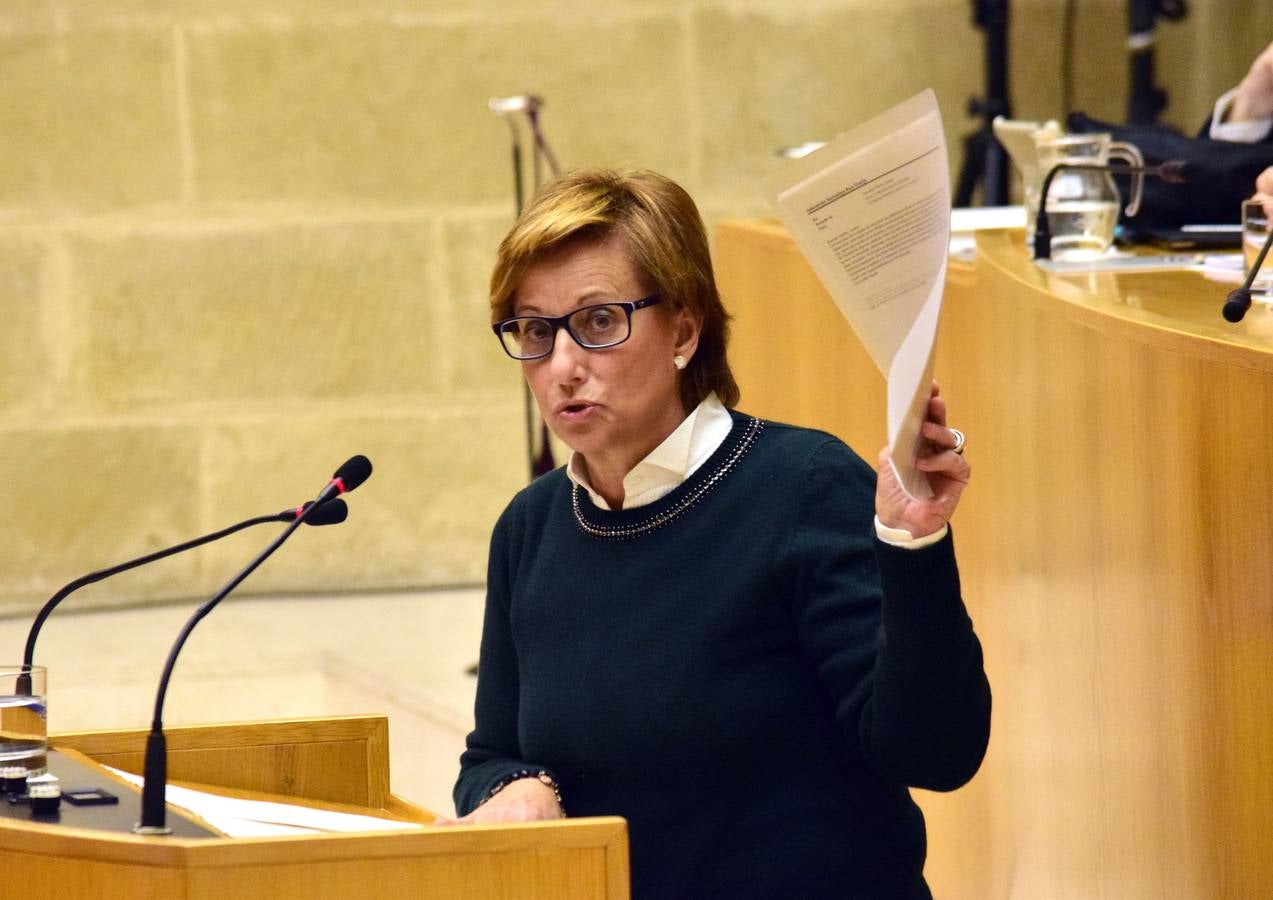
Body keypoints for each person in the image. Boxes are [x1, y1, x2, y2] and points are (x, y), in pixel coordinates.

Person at [438, 168, 991, 899]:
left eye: (599, 322)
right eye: (535, 331)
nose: (562, 366)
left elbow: (935, 751)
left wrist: (911, 546)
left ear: (685, 331)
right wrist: (519, 785)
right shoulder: (531, 527)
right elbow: (490, 755)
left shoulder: (802, 487)